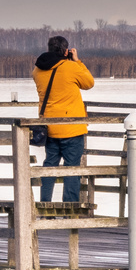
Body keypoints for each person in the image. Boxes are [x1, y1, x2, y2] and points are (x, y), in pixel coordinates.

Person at [32, 34, 94, 203]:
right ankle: (70, 209)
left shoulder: (37, 70)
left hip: (49, 128)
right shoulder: (70, 67)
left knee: (49, 167)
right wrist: (77, 61)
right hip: (71, 128)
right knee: (72, 169)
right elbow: (89, 83)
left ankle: (45, 205)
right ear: (66, 51)